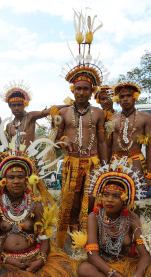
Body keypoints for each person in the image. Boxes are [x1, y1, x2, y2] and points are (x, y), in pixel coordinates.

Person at [0, 132, 120, 277]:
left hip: (34, 258)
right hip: (7, 260)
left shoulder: (36, 204)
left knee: (70, 273)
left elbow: (45, 240)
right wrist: (5, 259)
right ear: (3, 180)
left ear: (28, 180)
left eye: (20, 177)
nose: (16, 181)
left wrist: (40, 261)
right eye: (12, 177)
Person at [56, 16, 107, 247]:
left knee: (91, 198)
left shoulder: (98, 113)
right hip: (71, 162)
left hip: (93, 162)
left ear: (91, 91)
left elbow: (103, 140)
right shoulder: (64, 112)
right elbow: (56, 139)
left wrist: (104, 166)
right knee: (71, 199)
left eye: (86, 89)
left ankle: (90, 237)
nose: (82, 92)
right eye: (78, 88)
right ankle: (72, 236)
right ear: (73, 89)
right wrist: (63, 142)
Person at [77, 158, 151, 277]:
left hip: (129, 265)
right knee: (84, 270)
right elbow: (92, 256)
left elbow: (144, 254)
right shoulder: (94, 217)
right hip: (105, 269)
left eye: (116, 196)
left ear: (125, 200)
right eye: (106, 195)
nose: (109, 200)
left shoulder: (132, 218)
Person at [2, 81, 67, 150]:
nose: (16, 108)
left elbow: (47, 111)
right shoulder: (9, 126)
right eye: (14, 105)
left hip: (29, 158)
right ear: (10, 106)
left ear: (24, 105)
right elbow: (6, 144)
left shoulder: (30, 116)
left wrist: (68, 105)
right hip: (13, 158)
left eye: (19, 105)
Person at [110, 82, 151, 190]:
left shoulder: (145, 117)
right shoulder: (112, 119)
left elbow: (149, 146)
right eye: (122, 96)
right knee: (116, 194)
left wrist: (149, 174)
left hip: (136, 160)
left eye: (129, 95)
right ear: (118, 100)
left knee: (135, 198)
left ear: (135, 97)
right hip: (115, 161)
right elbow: (107, 144)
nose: (125, 99)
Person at [94, 85, 116, 162]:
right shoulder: (94, 117)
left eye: (109, 98)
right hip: (98, 158)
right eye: (102, 99)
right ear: (99, 101)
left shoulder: (120, 117)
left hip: (117, 159)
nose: (106, 101)